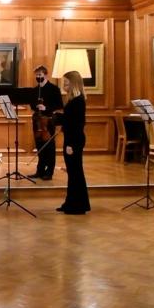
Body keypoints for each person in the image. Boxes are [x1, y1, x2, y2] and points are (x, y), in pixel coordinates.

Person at [54, 70, 90, 215]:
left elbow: (76, 124)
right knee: (73, 172)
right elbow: (69, 119)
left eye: (67, 83)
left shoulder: (78, 101)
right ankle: (70, 202)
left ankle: (78, 205)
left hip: (73, 140)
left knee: (76, 173)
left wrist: (70, 144)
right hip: (71, 138)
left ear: (74, 83)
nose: (64, 85)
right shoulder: (73, 100)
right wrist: (59, 118)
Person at [28, 65, 63, 180]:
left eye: (40, 75)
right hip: (37, 121)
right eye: (36, 75)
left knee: (49, 147)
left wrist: (46, 107)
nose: (38, 77)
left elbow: (59, 105)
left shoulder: (54, 89)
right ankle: (40, 170)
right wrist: (36, 106)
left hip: (48, 121)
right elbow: (32, 105)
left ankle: (49, 172)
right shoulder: (35, 90)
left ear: (45, 74)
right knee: (39, 146)